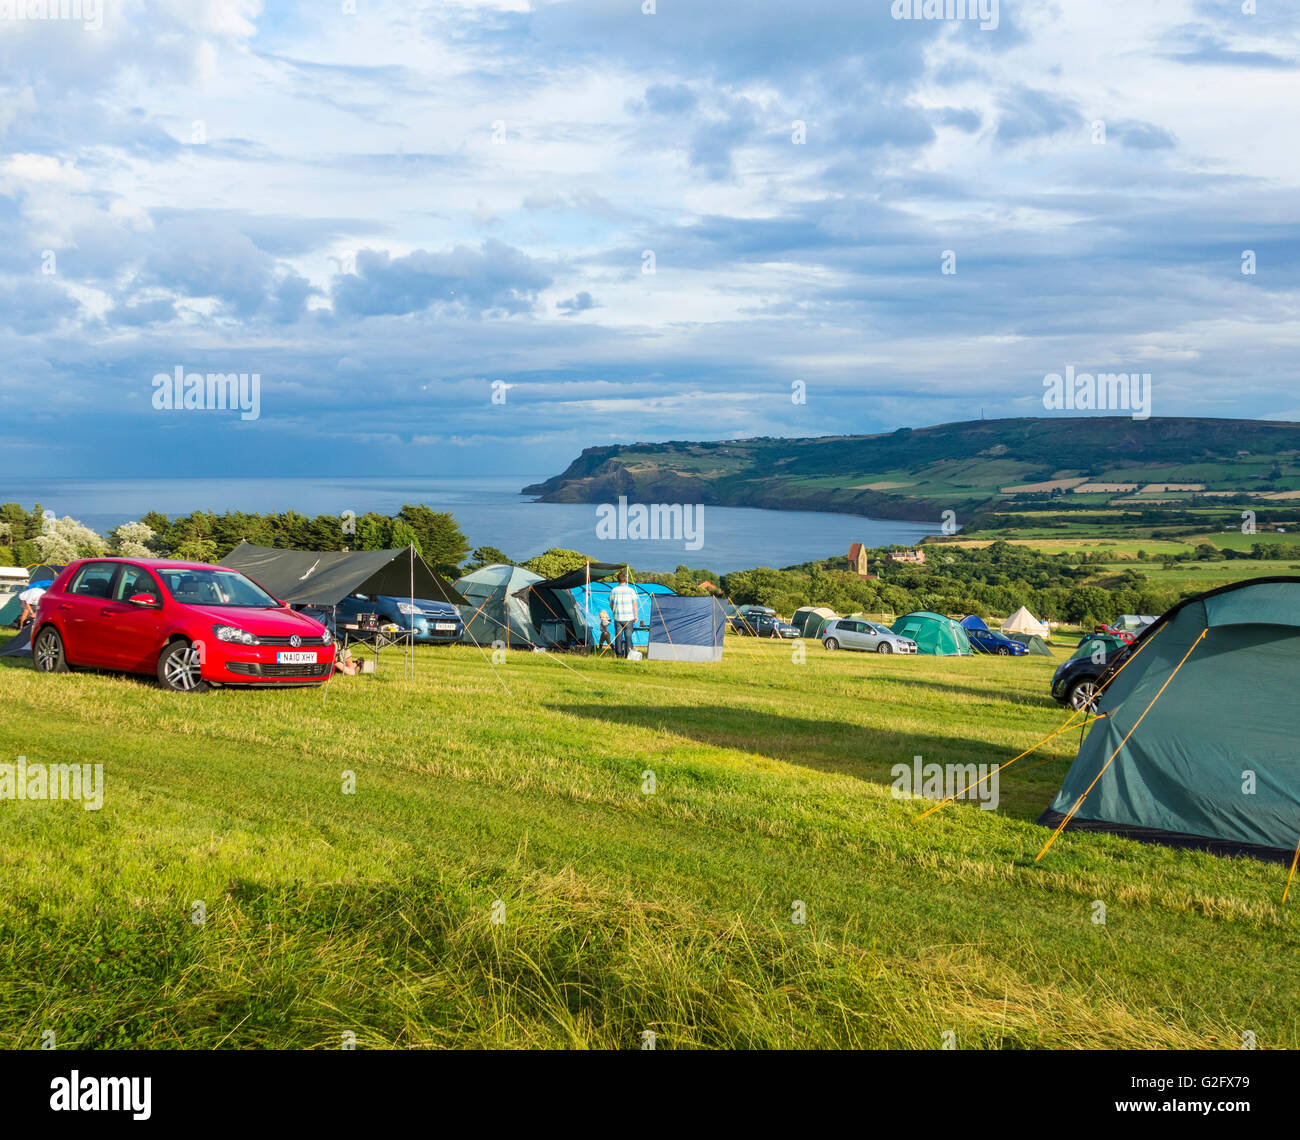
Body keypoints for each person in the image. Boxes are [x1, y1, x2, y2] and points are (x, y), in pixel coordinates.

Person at [608, 570, 639, 658]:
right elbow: (635, 604)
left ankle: (618, 654)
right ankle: (628, 655)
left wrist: (614, 611)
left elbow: (610, 603)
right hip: (629, 618)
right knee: (628, 637)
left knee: (618, 636)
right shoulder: (631, 590)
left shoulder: (613, 590)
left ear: (618, 580)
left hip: (618, 617)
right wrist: (636, 616)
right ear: (625, 579)